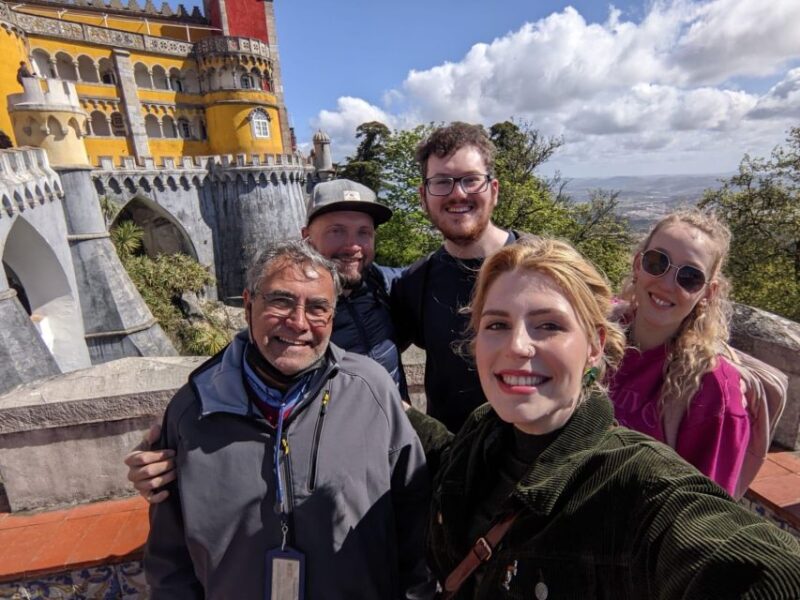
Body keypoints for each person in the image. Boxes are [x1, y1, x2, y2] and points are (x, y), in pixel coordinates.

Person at [409, 237, 800, 599]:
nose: (518, 346)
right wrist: (384, 399)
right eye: (497, 324)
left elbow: (756, 568)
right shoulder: (486, 428)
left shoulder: (637, 486)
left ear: (595, 347)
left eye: (549, 325)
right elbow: (452, 461)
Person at [144, 240, 432, 599]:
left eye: (317, 308)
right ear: (248, 304)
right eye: (281, 301)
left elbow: (415, 519)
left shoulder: (370, 392)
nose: (298, 323)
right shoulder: (195, 410)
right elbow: (169, 561)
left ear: (333, 315)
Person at [127, 178, 410, 501]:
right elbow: (239, 362)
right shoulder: (286, 322)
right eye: (336, 231)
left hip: (391, 454)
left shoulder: (388, 287)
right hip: (329, 468)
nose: (353, 245)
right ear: (306, 237)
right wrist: (169, 443)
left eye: (364, 232)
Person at [392, 122, 522, 432]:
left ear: (494, 190)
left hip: (545, 464)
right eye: (442, 182)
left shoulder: (545, 265)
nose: (457, 193)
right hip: (453, 466)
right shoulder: (415, 283)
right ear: (424, 196)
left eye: (470, 180)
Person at [609, 209, 748, 496]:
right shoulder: (598, 333)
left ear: (708, 293)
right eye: (657, 262)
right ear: (638, 265)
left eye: (690, 277)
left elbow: (706, 512)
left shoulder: (713, 391)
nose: (667, 284)